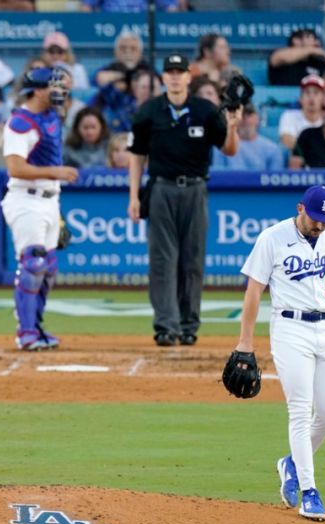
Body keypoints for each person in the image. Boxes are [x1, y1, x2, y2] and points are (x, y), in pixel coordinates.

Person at [235, 184, 325, 523]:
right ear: (300, 208)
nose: (320, 225)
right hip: (290, 329)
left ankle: (291, 463)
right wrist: (245, 342)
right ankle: (309, 491)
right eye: (315, 218)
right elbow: (254, 290)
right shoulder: (272, 238)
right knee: (300, 409)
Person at [127, 53, 240, 347]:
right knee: (162, 260)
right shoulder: (149, 111)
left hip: (195, 187)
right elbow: (137, 155)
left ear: (189, 76)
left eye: (180, 71)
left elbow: (228, 150)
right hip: (161, 187)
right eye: (170, 71)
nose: (175, 76)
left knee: (192, 260)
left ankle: (189, 325)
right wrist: (133, 196)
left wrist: (233, 126)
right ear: (163, 77)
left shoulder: (205, 110)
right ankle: (165, 325)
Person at [1, 66, 78, 351]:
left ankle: (36, 324)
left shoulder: (51, 115)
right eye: (53, 87)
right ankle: (26, 331)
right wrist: (56, 172)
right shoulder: (20, 122)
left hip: (48, 200)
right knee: (33, 262)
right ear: (37, 90)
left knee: (48, 267)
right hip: (25, 198)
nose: (59, 93)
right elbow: (15, 167)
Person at [212, 103, 284, 171]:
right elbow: (218, 177)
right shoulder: (223, 146)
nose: (245, 119)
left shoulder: (272, 149)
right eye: (241, 114)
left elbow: (275, 179)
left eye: (249, 114)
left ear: (257, 118)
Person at [279, 75, 325, 151]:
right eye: (307, 92)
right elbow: (287, 141)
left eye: (316, 93)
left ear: (323, 98)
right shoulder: (289, 116)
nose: (311, 97)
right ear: (300, 99)